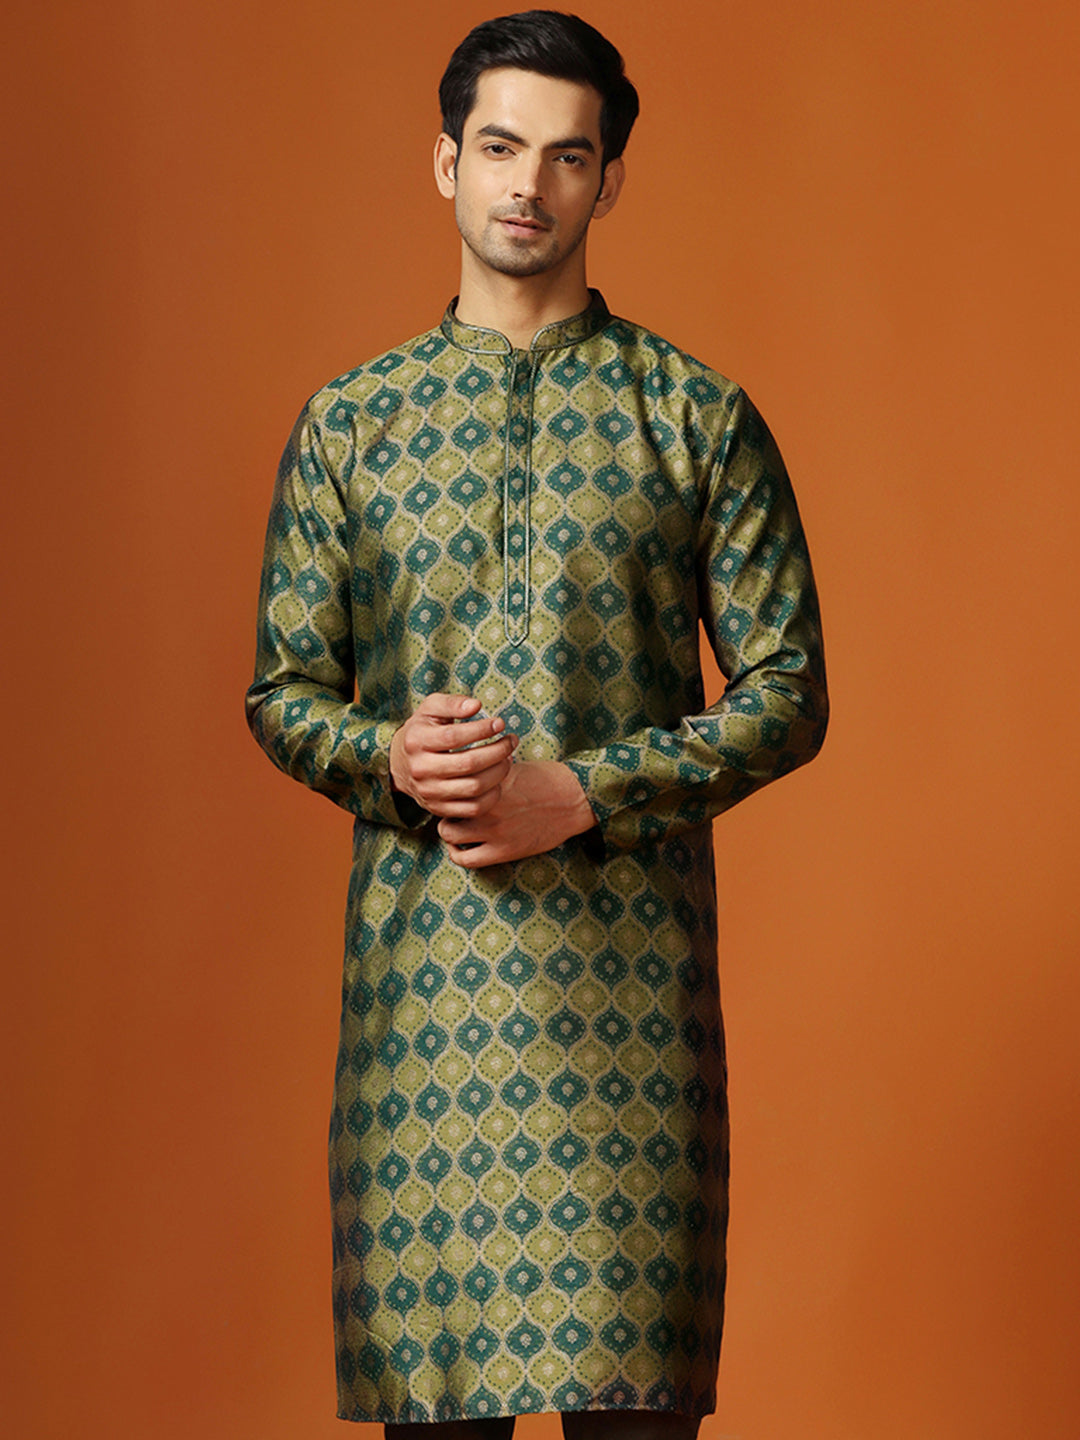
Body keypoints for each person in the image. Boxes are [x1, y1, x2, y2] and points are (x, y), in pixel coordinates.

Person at [246, 11, 827, 1440]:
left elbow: (789, 690)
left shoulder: (693, 418)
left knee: (636, 1420)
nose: (530, 185)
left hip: (630, 1022)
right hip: (424, 1022)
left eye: (570, 156)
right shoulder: (352, 427)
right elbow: (284, 692)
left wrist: (587, 792)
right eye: (501, 147)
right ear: (446, 162)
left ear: (608, 182)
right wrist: (385, 755)